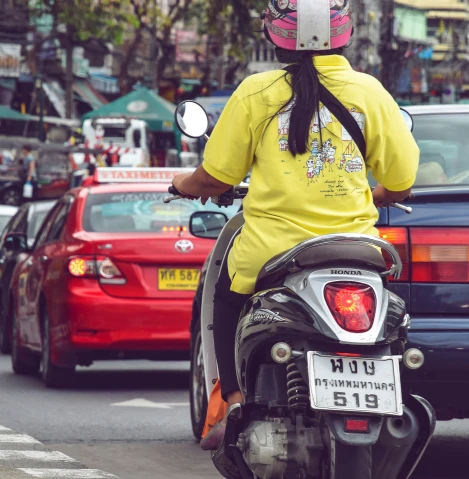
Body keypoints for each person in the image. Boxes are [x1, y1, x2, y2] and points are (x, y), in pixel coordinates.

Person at [170, 0, 420, 459]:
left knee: (225, 297)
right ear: (344, 34)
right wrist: (378, 195)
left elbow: (216, 178)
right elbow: (402, 180)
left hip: (271, 251)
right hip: (358, 251)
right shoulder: (371, 92)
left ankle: (234, 400)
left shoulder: (255, 92)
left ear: (275, 36)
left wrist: (182, 184)